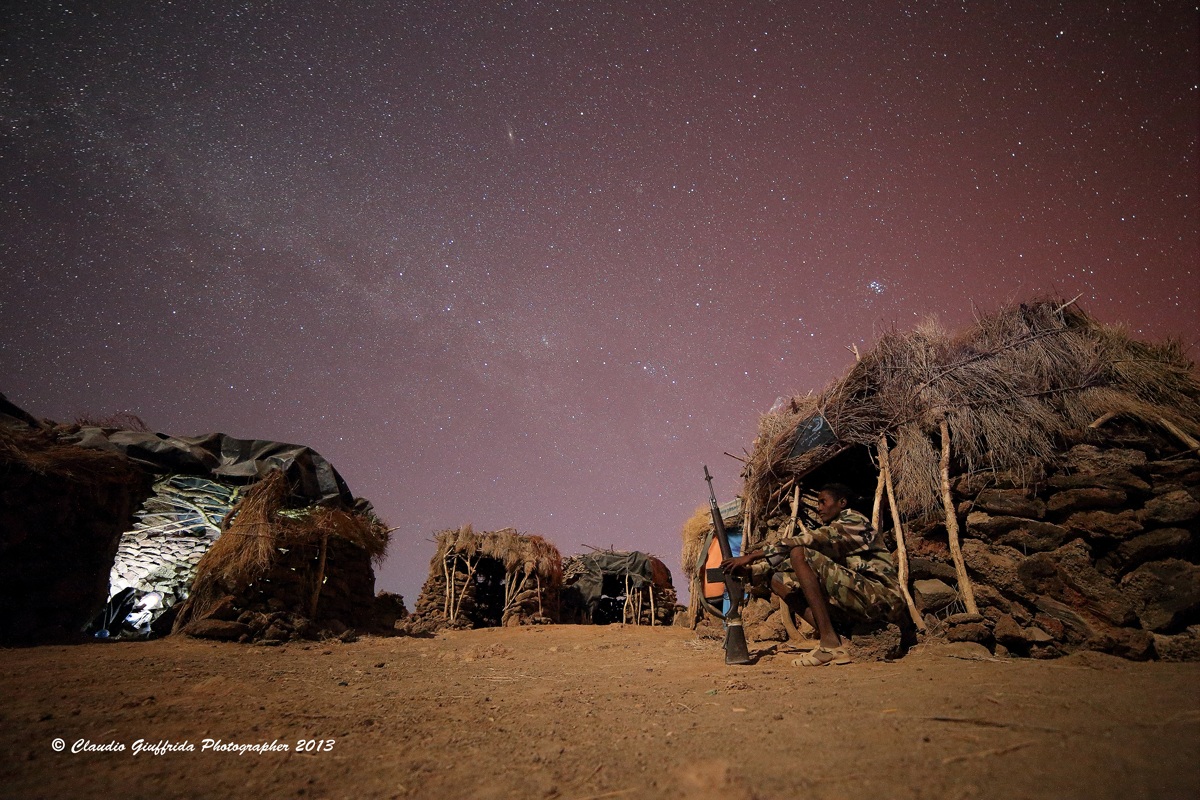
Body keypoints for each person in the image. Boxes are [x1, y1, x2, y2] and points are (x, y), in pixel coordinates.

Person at [721, 483, 902, 666]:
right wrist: (752, 571)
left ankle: (829, 645)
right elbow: (786, 562)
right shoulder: (836, 533)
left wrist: (752, 556)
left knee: (800, 552)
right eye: (818, 503)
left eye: (823, 502)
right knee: (776, 578)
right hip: (862, 599)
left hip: (883, 599)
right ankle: (839, 641)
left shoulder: (854, 521)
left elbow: (811, 539)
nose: (819, 508)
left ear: (842, 503)